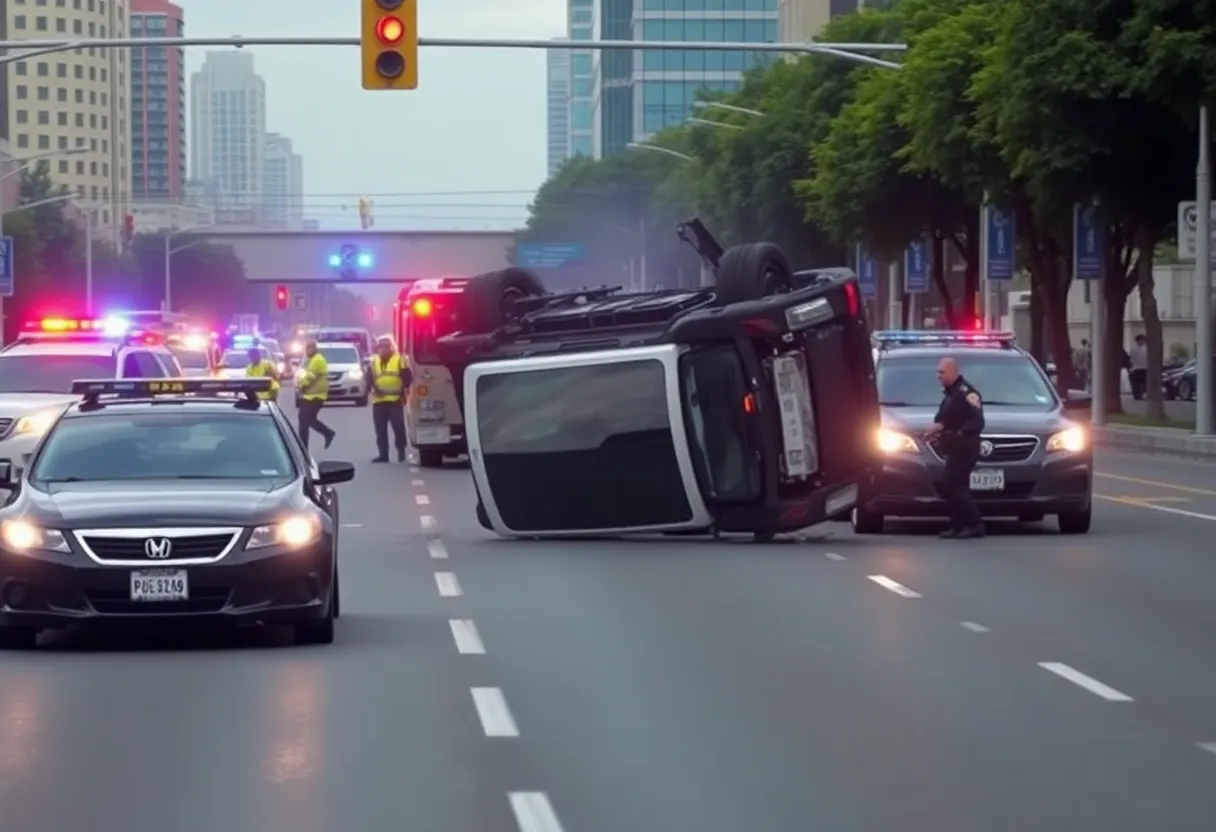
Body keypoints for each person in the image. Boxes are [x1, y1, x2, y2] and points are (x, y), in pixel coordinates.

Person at [924, 357, 986, 539]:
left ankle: (975, 524)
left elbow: (977, 420)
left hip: (965, 447)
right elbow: (949, 417)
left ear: (953, 372)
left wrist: (957, 433)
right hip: (954, 448)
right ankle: (958, 525)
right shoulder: (951, 394)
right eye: (937, 372)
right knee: (954, 486)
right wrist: (939, 429)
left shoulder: (966, 393)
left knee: (953, 484)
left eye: (941, 372)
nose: (938, 376)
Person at [366, 335, 413, 462]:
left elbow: (407, 377)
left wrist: (404, 389)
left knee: (398, 426)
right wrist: (371, 389)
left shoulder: (399, 360)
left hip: (395, 399)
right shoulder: (374, 361)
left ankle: (401, 450)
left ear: (391, 348)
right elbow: (369, 378)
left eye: (385, 348)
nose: (383, 350)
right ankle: (383, 454)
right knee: (380, 430)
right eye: (380, 348)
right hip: (379, 400)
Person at [296, 339, 336, 452]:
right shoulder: (310, 360)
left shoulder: (317, 359)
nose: (307, 350)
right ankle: (304, 448)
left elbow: (311, 377)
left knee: (305, 419)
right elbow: (305, 374)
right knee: (306, 419)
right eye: (306, 348)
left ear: (314, 348)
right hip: (310, 394)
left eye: (309, 348)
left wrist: (301, 387)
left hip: (316, 395)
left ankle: (327, 433)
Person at [1128, 333, 1147, 400]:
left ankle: (1140, 394)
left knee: (1142, 383)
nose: (1142, 342)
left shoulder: (1146, 349)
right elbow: (1131, 359)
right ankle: (1137, 395)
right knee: (1137, 383)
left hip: (1143, 368)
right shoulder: (1134, 349)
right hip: (1137, 368)